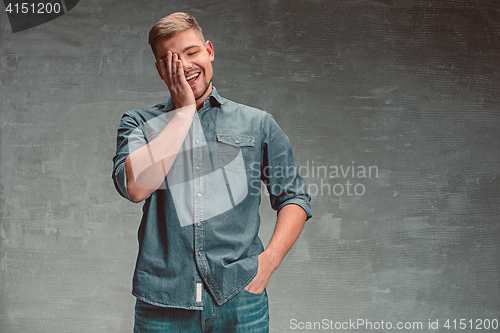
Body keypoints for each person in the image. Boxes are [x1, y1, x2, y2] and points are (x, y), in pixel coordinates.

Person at [112, 12, 312, 333]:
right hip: (163, 304)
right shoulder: (138, 123)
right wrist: (182, 113)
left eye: (192, 53)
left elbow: (295, 197)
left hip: (240, 301)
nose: (186, 65)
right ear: (160, 70)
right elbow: (136, 188)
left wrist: (268, 263)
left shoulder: (257, 123)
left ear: (209, 51)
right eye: (172, 60)